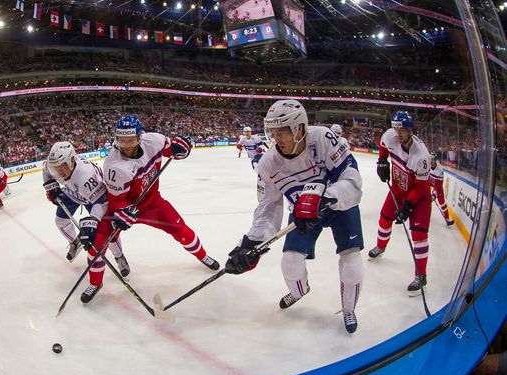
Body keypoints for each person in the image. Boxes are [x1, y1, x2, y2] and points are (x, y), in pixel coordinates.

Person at [225, 100, 364, 333]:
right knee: (290, 263)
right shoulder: (268, 164)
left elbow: (352, 181)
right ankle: (300, 291)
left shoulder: (322, 139)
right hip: (303, 213)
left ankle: (348, 308)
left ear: (300, 128)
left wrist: (327, 198)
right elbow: (268, 207)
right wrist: (250, 243)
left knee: (352, 263)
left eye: (283, 131)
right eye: (273, 131)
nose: (277, 138)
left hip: (340, 206)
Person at [82, 115, 220, 304]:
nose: (126, 145)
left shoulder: (154, 141)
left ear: (139, 136)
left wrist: (182, 149)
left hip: (153, 204)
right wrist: (122, 211)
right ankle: (95, 283)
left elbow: (173, 151)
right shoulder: (114, 166)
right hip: (126, 207)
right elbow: (115, 201)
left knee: (182, 232)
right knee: (98, 244)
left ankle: (203, 256)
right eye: (122, 140)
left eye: (130, 139)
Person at [42, 141, 129, 279]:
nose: (60, 171)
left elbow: (102, 202)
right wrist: (50, 185)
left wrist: (92, 221)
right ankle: (74, 243)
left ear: (72, 160)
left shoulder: (87, 176)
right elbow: (46, 169)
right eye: (56, 167)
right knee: (60, 221)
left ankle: (119, 257)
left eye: (63, 166)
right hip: (72, 193)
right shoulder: (54, 164)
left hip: (94, 199)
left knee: (108, 232)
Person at [368, 111, 432, 292]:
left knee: (419, 236)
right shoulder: (390, 136)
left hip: (419, 198)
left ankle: (421, 276)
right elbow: (383, 144)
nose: (398, 133)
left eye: (402, 130)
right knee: (384, 218)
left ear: (411, 129)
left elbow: (421, 188)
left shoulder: (421, 156)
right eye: (396, 129)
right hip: (397, 189)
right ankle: (380, 247)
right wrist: (382, 161)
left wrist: (408, 206)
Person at [429, 153, 454, 226]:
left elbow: (438, 186)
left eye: (432, 159)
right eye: (430, 159)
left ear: (435, 160)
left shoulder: (440, 170)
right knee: (426, 200)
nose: (431, 161)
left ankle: (447, 218)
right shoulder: (426, 165)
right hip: (427, 182)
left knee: (442, 202)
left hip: (436, 184)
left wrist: (434, 195)